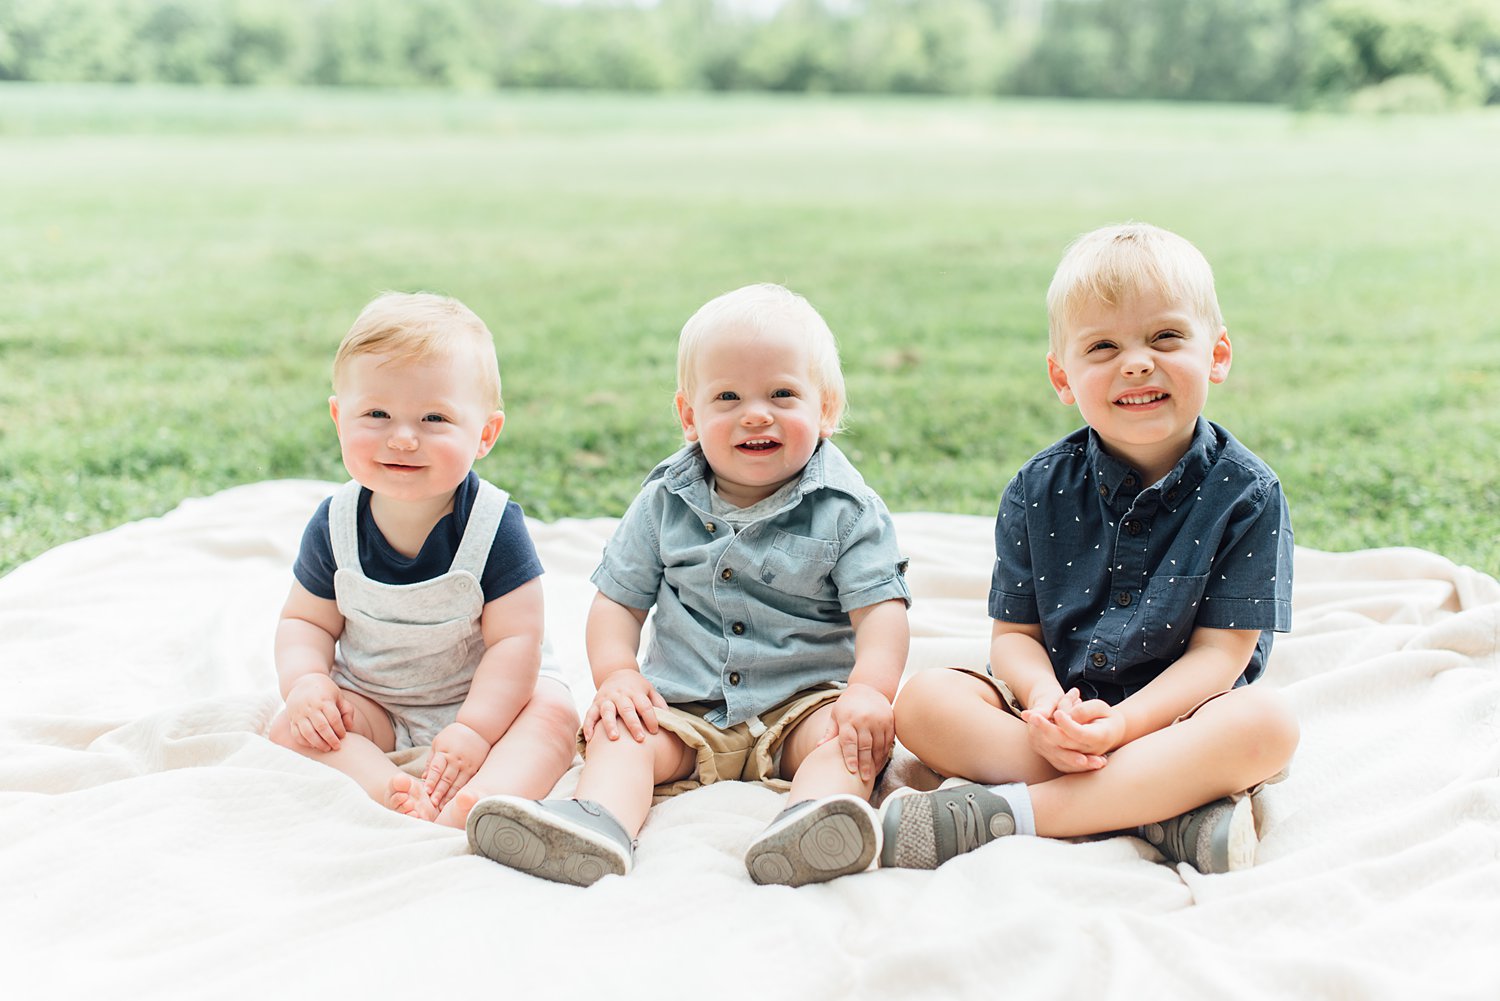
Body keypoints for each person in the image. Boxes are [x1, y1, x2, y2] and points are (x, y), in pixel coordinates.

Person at [883, 223, 1300, 875]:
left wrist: (1124, 727)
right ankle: (1166, 811)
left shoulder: (1246, 493)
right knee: (922, 702)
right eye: (1103, 346)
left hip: (1184, 724)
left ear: (1217, 354)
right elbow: (1014, 636)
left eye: (1165, 337)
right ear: (1063, 376)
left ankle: (1010, 815)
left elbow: (1221, 655)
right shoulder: (1037, 487)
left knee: (1268, 726)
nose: (1136, 361)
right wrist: (1047, 701)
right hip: (1055, 727)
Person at [465, 283, 912, 887]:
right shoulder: (663, 502)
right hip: (685, 706)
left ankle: (814, 821)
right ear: (689, 416)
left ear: (825, 409)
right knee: (619, 732)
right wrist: (618, 676)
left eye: (782, 393)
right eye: (727, 396)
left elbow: (881, 614)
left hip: (803, 705)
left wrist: (868, 691)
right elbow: (616, 604)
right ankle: (596, 824)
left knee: (852, 741)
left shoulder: (849, 510)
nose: (756, 413)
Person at [268, 292, 579, 830]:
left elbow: (516, 641)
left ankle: (478, 801)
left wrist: (476, 730)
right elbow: (304, 621)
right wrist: (307, 684)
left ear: (485, 434)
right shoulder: (336, 523)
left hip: (487, 697)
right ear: (339, 418)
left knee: (554, 716)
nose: (404, 437)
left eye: (434, 417)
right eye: (377, 414)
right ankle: (387, 787)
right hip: (375, 701)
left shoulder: (493, 526)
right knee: (292, 728)